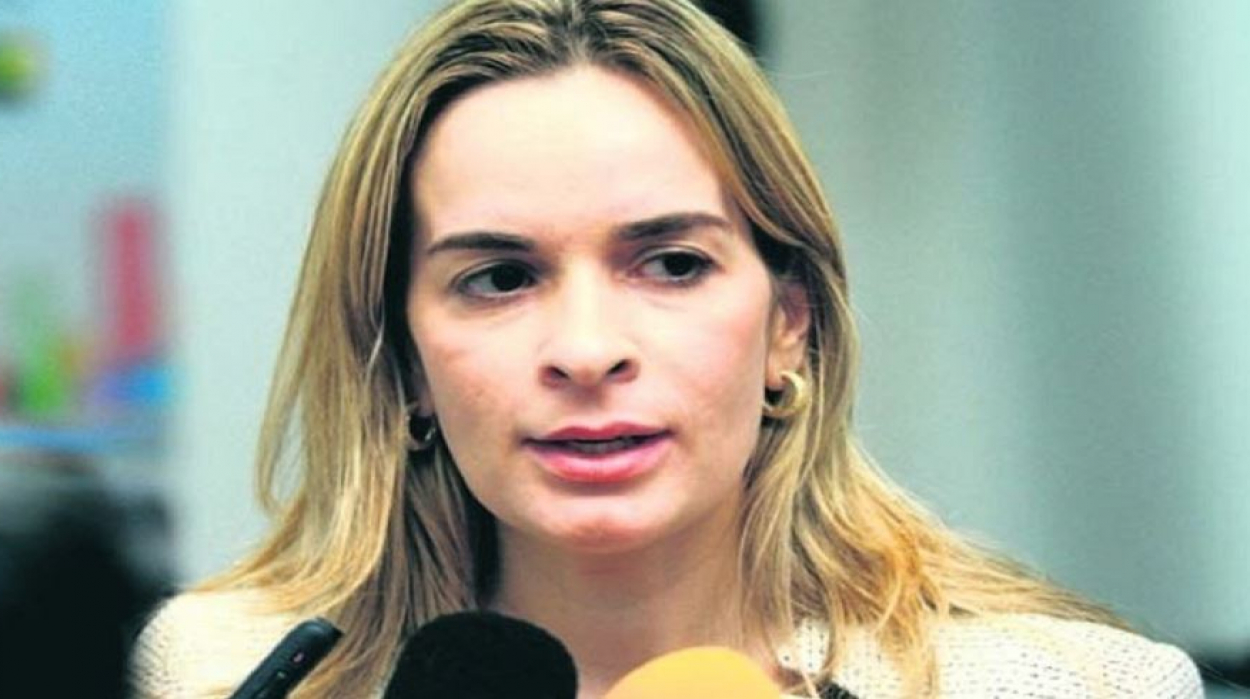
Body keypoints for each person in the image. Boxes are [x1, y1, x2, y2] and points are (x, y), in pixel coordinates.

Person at [131, 1, 1203, 697]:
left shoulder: (1075, 686)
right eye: (499, 277)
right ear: (404, 360)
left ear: (790, 325)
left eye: (672, 264)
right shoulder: (219, 669)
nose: (586, 349)